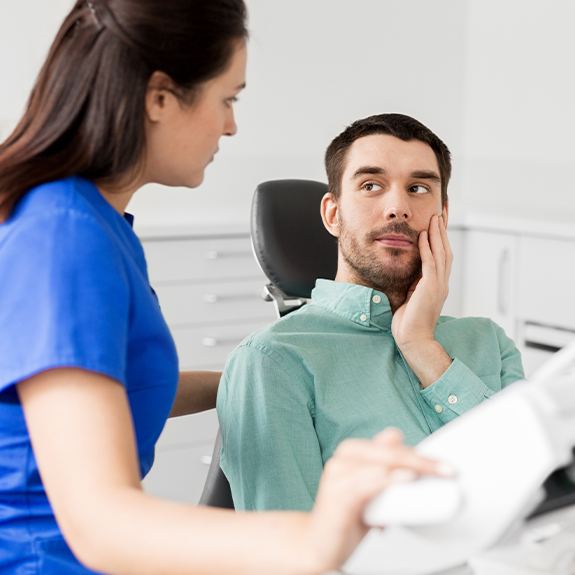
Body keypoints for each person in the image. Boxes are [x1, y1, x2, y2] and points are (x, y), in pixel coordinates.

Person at [0, 4, 449, 575]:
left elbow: (110, 392)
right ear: (160, 97)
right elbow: (99, 523)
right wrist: (315, 537)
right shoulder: (65, 238)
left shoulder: (94, 225)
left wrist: (263, 375)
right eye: (227, 98)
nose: (231, 125)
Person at [217, 113, 525, 511]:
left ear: (442, 217)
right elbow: (287, 553)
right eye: (371, 185)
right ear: (332, 214)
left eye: (417, 188)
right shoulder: (273, 362)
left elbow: (532, 486)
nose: (397, 207)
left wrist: (421, 345)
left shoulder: (489, 342)